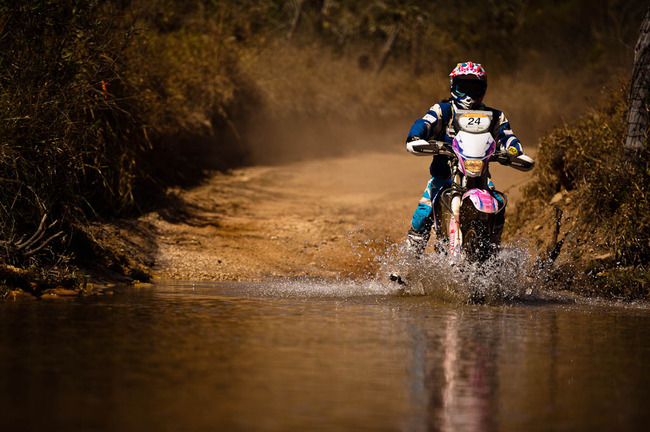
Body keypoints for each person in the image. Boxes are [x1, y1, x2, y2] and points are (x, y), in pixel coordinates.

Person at [403, 61, 525, 255]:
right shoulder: (444, 110)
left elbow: (506, 135)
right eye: (463, 87)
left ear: (483, 89)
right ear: (453, 87)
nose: (468, 94)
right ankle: (409, 261)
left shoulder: (494, 116)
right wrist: (416, 137)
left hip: (479, 176)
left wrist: (514, 149)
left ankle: (494, 253)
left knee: (498, 205)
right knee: (423, 213)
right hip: (444, 176)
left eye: (473, 88)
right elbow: (425, 123)